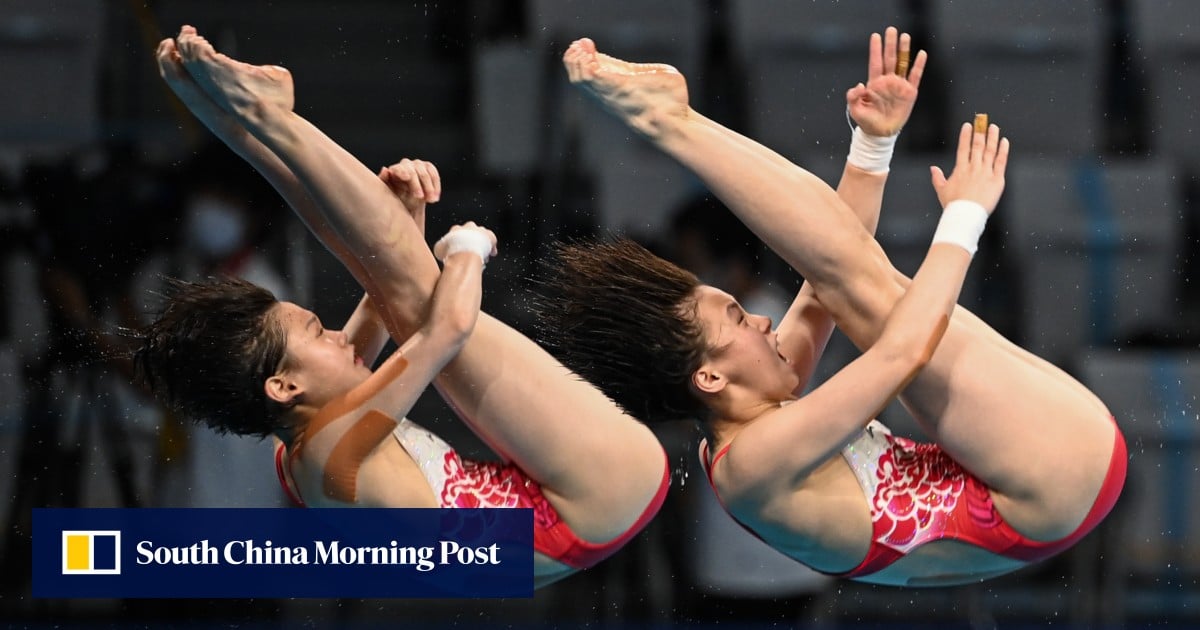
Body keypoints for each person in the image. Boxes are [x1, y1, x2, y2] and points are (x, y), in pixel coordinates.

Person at [544, 32, 1127, 587]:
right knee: (872, 294)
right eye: (740, 320)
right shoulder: (751, 465)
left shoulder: (753, 416)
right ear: (710, 375)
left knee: (853, 284)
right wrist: (966, 216)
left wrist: (872, 146)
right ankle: (667, 122)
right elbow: (902, 351)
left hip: (1047, 476)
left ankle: (672, 121)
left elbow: (825, 284)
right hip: (1044, 485)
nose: (764, 319)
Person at [135, 26, 669, 588]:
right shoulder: (333, 451)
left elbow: (379, 286)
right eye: (318, 332)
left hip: (572, 509)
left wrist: (405, 219)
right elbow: (446, 328)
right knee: (415, 289)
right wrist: (467, 250)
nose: (339, 336)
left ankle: (235, 120)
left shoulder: (301, 443)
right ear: (283, 385)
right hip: (592, 503)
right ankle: (270, 120)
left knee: (392, 277)